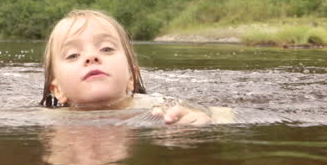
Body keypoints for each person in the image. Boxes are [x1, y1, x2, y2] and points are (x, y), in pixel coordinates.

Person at [39, 9, 233, 125]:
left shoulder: (152, 108)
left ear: (131, 77)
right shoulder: (48, 120)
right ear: (57, 90)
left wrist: (202, 117)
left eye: (106, 49)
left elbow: (225, 114)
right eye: (73, 55)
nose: (91, 57)